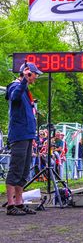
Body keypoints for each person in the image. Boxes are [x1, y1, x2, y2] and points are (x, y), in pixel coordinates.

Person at [5, 62, 43, 216]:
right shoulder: (16, 86)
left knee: (24, 170)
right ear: (28, 73)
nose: (37, 77)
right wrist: (24, 82)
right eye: (35, 74)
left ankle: (19, 203)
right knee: (16, 168)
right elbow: (13, 98)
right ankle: (10, 204)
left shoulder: (25, 90)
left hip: (27, 135)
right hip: (19, 135)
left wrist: (33, 135)